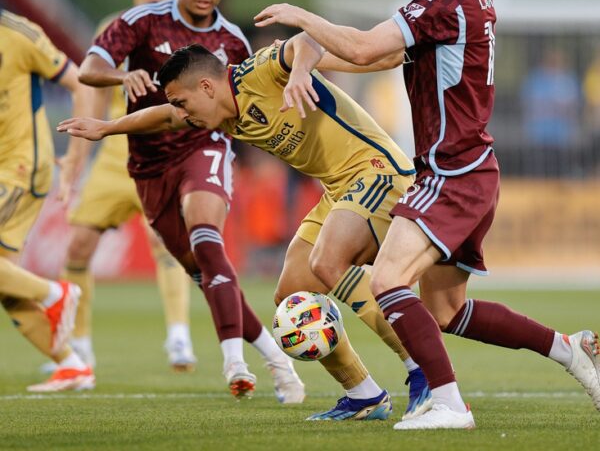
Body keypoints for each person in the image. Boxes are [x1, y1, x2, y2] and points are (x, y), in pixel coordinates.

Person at [253, 0, 600, 429]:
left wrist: (300, 17)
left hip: (451, 174)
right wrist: (308, 54)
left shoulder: (440, 5)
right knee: (448, 311)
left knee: (390, 280)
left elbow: (367, 49)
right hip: (470, 170)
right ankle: (568, 348)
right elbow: (383, 54)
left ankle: (447, 402)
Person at [59, 35, 433, 421]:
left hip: (377, 171)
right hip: (338, 189)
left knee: (328, 262)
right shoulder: (223, 113)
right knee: (292, 295)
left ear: (206, 86)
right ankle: (364, 395)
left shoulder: (259, 72)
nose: (182, 114)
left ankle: (426, 371)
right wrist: (108, 127)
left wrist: (301, 71)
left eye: (182, 102)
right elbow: (165, 117)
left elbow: (306, 41)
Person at [75, 0, 305, 402]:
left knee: (207, 236)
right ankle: (278, 361)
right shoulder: (140, 21)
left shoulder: (232, 42)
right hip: (147, 167)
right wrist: (123, 74)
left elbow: (246, 104)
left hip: (206, 147)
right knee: (204, 271)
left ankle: (233, 362)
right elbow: (89, 66)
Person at [59, 0, 196, 373]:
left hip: (162, 156)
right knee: (79, 247)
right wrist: (77, 157)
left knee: (164, 242)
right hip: (115, 156)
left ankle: (179, 336)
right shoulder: (113, 31)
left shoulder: (189, 30)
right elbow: (92, 91)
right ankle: (79, 345)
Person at [0, 8, 94, 392]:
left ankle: (57, 292)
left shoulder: (19, 33)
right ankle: (72, 365)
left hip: (20, 166)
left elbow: (82, 84)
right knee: (7, 285)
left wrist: (74, 155)